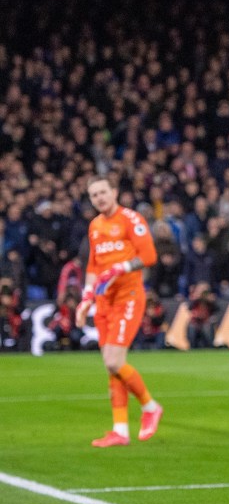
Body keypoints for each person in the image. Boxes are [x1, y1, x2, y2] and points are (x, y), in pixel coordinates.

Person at [75, 175, 163, 447]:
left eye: (103, 192)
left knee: (114, 361)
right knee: (111, 366)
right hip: (104, 300)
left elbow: (149, 257)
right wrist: (85, 299)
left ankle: (150, 407)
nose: (99, 198)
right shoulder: (95, 226)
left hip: (128, 296)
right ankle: (120, 431)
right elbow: (93, 266)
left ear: (114, 192)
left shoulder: (131, 219)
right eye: (94, 195)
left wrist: (120, 268)